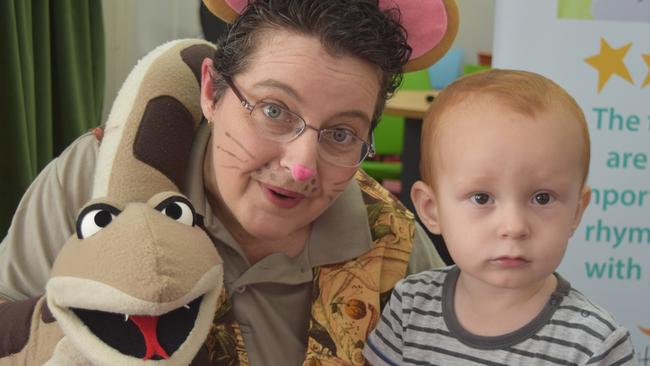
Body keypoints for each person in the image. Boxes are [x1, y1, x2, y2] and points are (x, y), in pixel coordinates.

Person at [0, 0, 460, 364]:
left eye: (341, 135)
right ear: (212, 91)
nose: (302, 166)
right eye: (274, 111)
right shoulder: (93, 182)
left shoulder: (393, 246)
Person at [363, 69, 637, 365]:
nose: (514, 226)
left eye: (542, 198)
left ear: (576, 211)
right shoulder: (410, 306)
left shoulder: (595, 344)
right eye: (482, 198)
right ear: (431, 209)